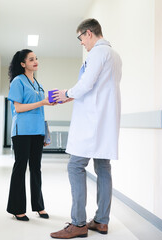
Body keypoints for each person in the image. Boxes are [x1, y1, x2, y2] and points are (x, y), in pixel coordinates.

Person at [50, 18, 122, 238]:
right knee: (103, 167)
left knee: (75, 166)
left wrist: (67, 93)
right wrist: (74, 96)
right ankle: (101, 221)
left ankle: (78, 223)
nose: (81, 42)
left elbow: (87, 84)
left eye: (80, 37)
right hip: (104, 119)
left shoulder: (98, 54)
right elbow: (98, 88)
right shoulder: (114, 55)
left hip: (93, 121)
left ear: (88, 33)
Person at [7, 49, 55, 221]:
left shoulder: (37, 83)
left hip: (37, 131)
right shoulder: (18, 81)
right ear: (23, 64)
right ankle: (17, 208)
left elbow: (41, 109)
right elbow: (18, 108)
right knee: (20, 168)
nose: (35, 61)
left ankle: (39, 206)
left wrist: (45, 134)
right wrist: (42, 101)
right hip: (22, 131)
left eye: (36, 59)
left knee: (36, 168)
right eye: (31, 59)